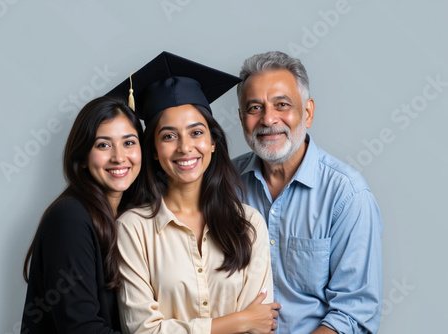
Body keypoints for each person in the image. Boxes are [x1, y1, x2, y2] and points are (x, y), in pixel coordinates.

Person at [107, 51, 281, 334]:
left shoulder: (248, 224)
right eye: (169, 136)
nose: (185, 147)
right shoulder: (133, 229)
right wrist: (239, 321)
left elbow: (259, 327)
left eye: (197, 132)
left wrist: (249, 322)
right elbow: (143, 331)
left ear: (213, 142)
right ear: (152, 149)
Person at [232, 51, 383, 334]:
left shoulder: (347, 195)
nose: (268, 119)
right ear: (242, 119)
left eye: (282, 104)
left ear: (308, 112)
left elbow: (354, 313)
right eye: (255, 108)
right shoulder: (225, 185)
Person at [21, 96, 145, 333]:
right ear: (83, 158)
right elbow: (82, 328)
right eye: (103, 145)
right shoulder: (70, 218)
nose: (119, 157)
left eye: (129, 143)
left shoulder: (132, 215)